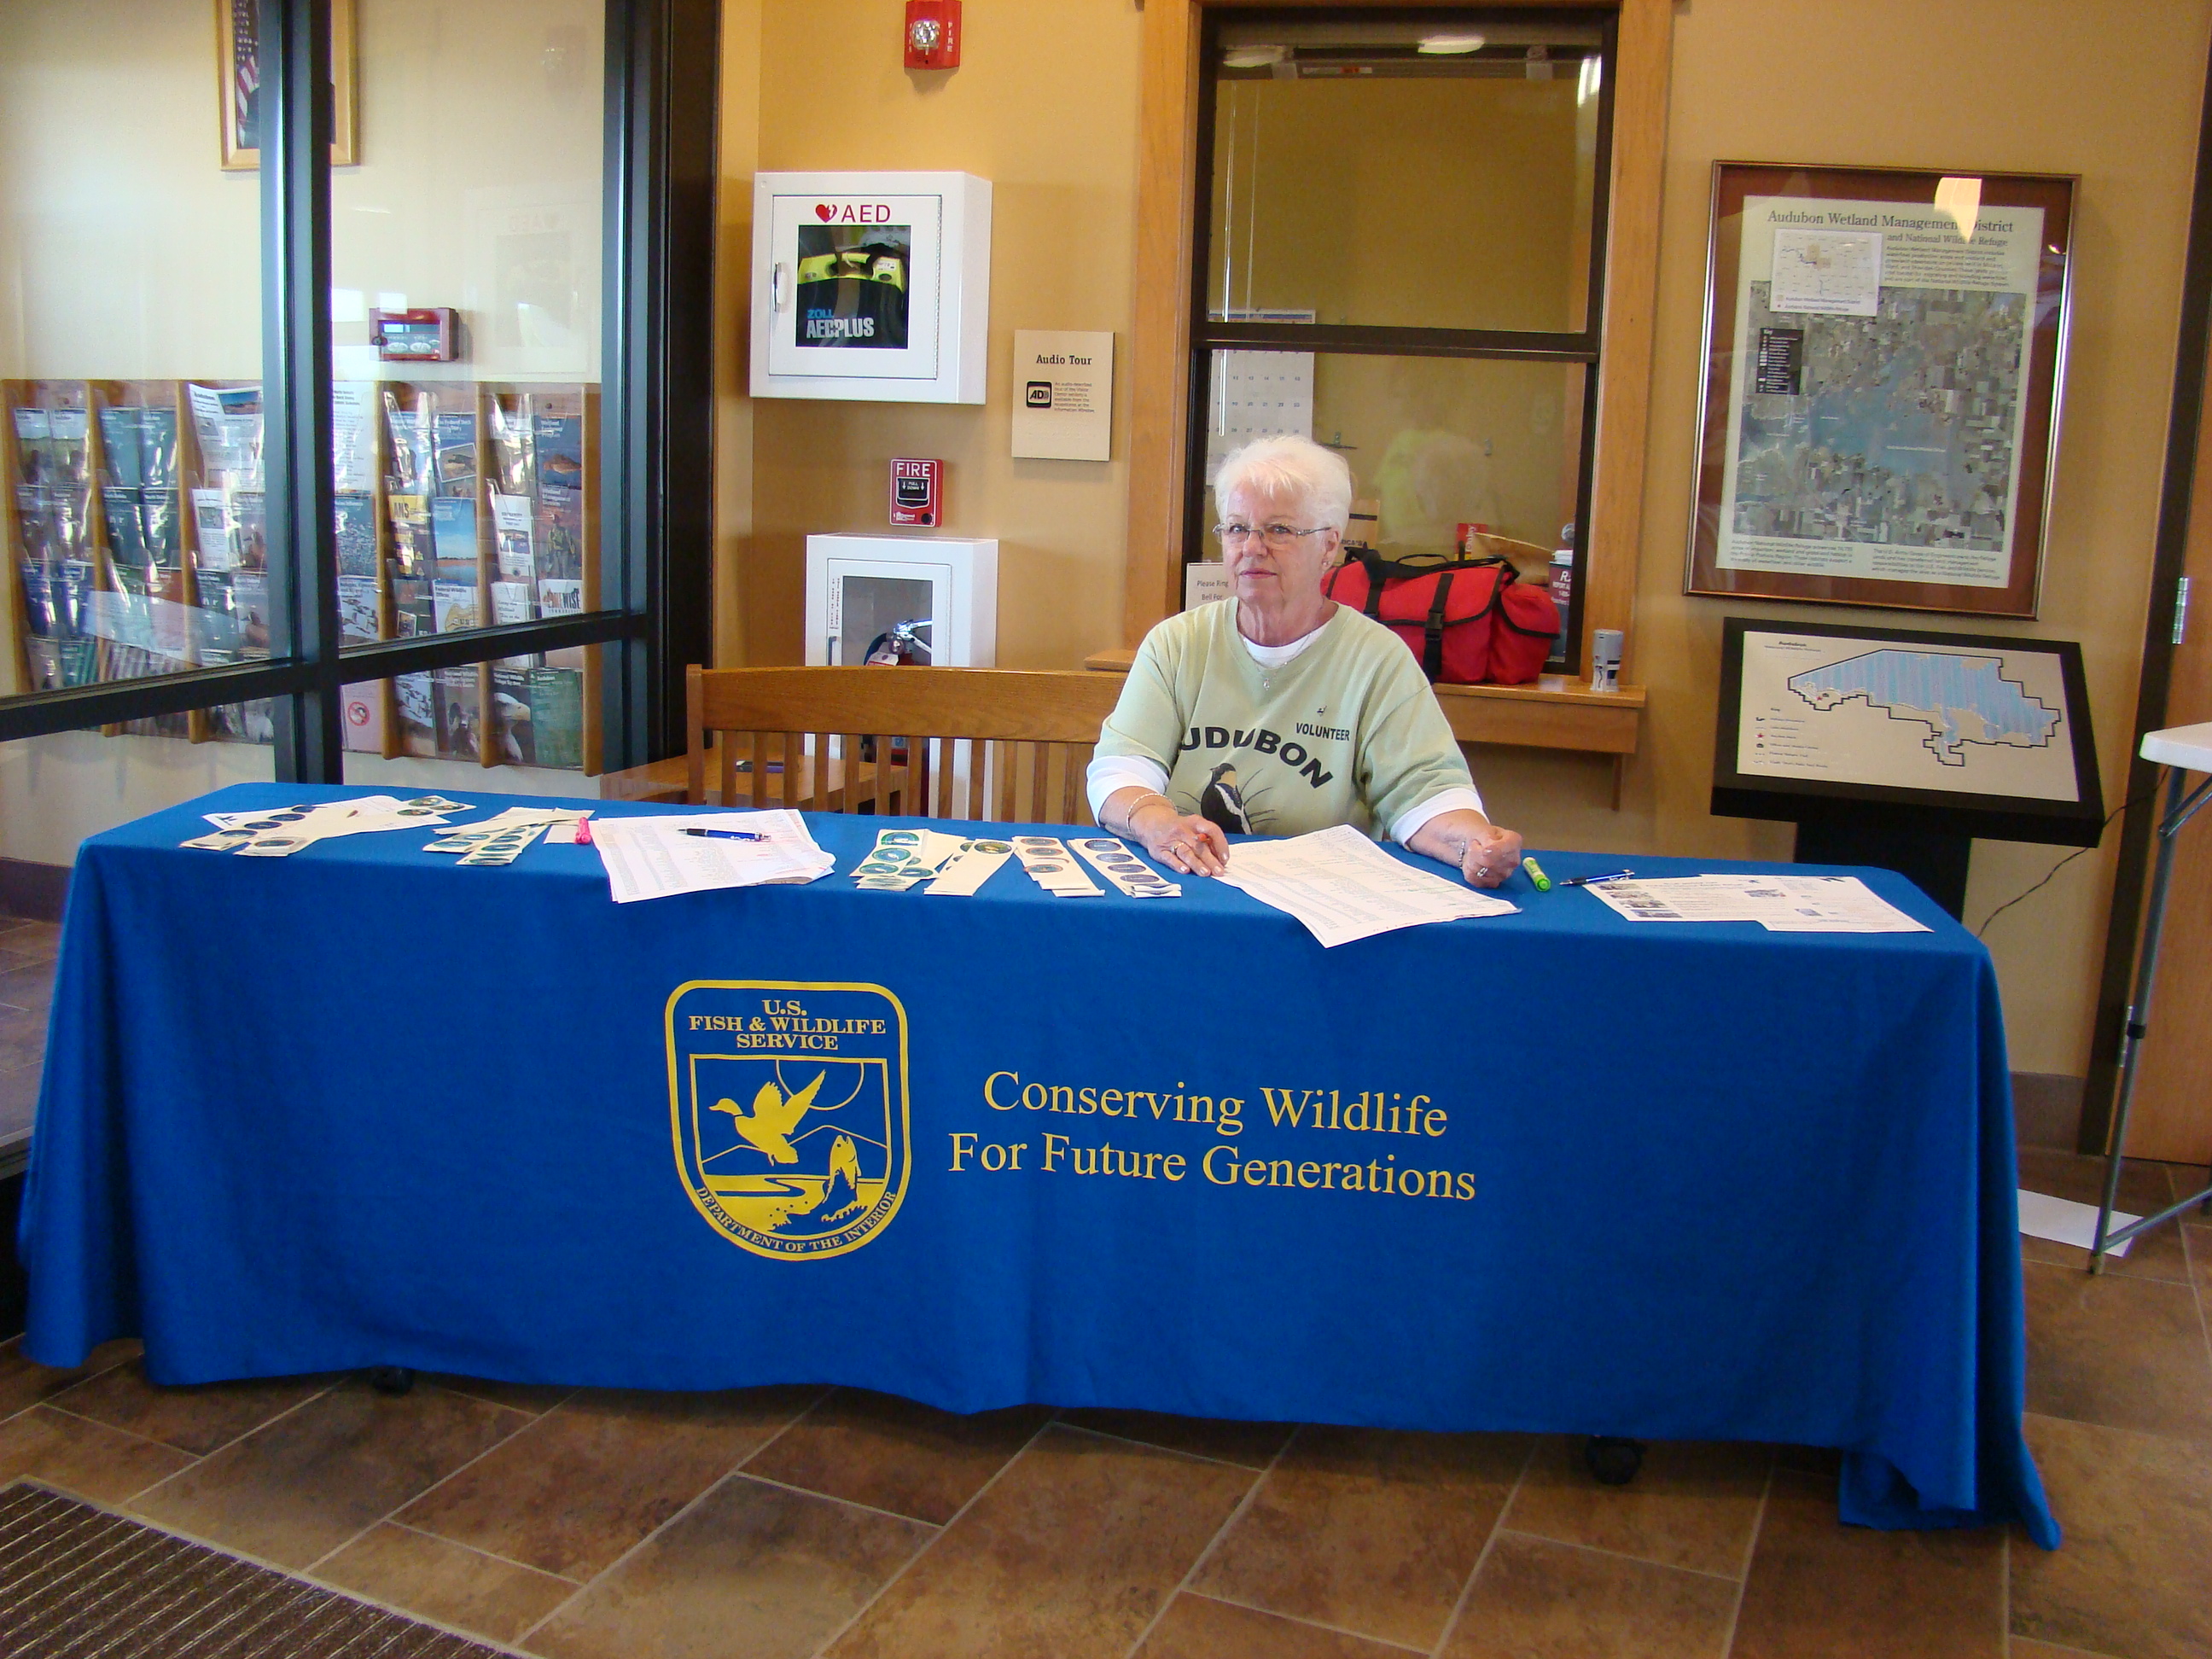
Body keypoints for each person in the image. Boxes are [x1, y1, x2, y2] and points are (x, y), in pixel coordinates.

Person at [1087, 434, 1525, 888]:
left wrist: (1473, 844)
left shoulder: (1377, 658)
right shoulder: (1177, 643)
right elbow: (1120, 769)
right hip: (1189, 881)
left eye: (1278, 530)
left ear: (1329, 547)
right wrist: (1158, 823)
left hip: (1322, 895)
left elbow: (1424, 791)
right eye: (1236, 528)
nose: (1252, 547)